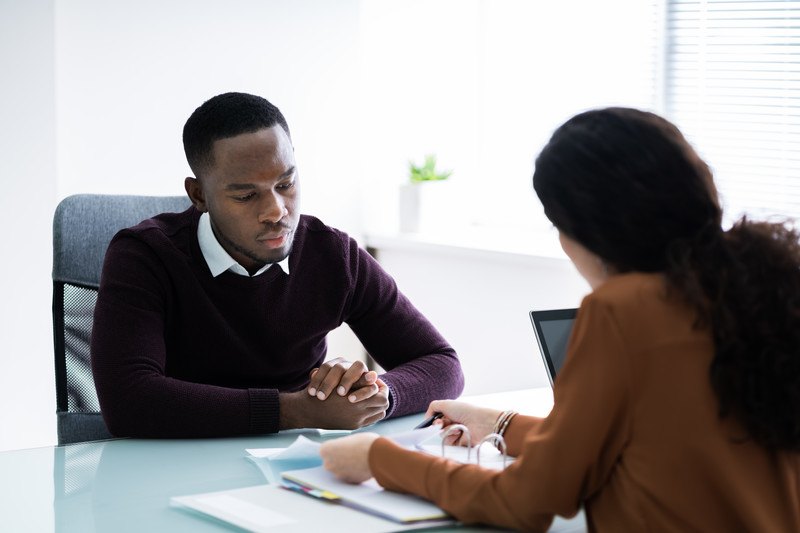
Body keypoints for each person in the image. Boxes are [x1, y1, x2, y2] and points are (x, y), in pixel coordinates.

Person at [320, 107, 800, 531]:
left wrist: (379, 459)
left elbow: (529, 501)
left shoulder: (623, 311)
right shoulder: (758, 286)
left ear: (587, 228)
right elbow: (628, 446)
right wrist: (501, 425)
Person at [90, 92, 464, 437]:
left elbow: (442, 364)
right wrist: (295, 412)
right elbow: (129, 400)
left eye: (286, 184)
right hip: (169, 467)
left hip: (293, 469)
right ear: (199, 194)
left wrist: (376, 397)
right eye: (246, 195)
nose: (276, 211)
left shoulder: (332, 255)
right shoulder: (144, 256)